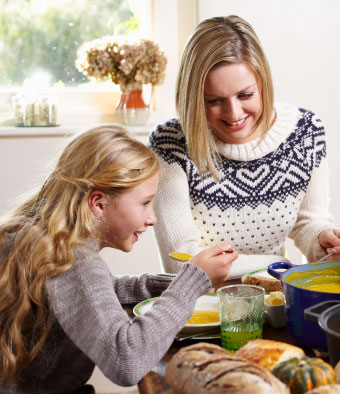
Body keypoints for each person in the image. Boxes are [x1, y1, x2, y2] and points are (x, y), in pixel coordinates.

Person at [0, 125, 236, 392]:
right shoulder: (72, 259)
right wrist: (191, 282)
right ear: (98, 204)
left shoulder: (39, 237)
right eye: (145, 203)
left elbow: (91, 294)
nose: (152, 218)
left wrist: (171, 282)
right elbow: (128, 361)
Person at [148, 15, 340, 279]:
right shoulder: (170, 143)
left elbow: (308, 222)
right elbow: (182, 263)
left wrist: (323, 241)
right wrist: (278, 263)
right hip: (204, 305)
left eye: (245, 95)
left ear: (263, 84)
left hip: (274, 298)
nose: (234, 113)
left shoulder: (306, 132)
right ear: (193, 98)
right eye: (214, 101)